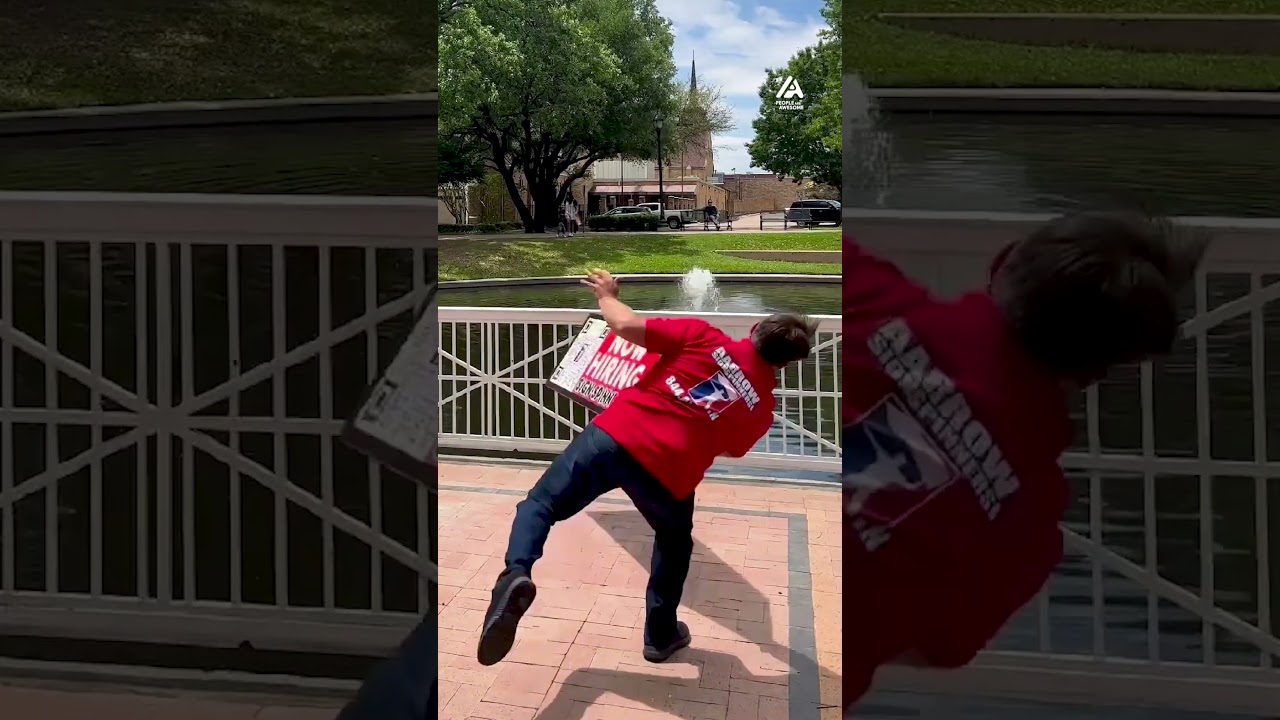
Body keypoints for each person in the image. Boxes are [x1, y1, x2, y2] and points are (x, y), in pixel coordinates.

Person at [841, 212, 1209, 709]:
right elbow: (929, 648)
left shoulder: (868, 295)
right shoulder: (1028, 533)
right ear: (1098, 373)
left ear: (1002, 262)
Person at [477, 269, 818, 667]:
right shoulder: (762, 410)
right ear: (786, 364)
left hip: (615, 437)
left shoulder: (703, 336)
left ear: (755, 329)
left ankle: (516, 573)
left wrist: (606, 295)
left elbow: (624, 325)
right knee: (674, 545)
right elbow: (732, 449)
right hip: (670, 474)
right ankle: (659, 636)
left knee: (540, 504)